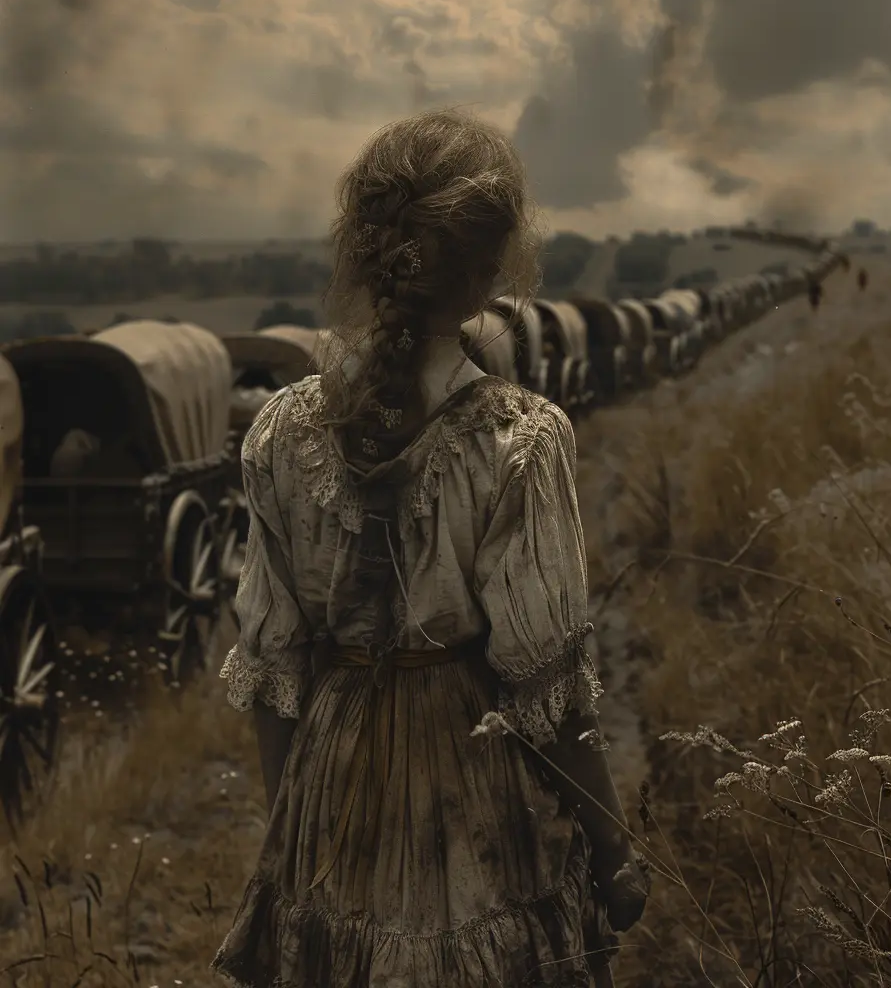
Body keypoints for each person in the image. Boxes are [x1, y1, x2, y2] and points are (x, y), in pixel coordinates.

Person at [212, 108, 649, 988]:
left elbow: (274, 669)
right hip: (469, 778)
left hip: (327, 779)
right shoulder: (519, 439)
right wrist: (610, 842)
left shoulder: (278, 431)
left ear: (369, 253)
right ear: (491, 270)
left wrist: (292, 826)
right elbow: (547, 687)